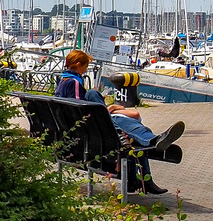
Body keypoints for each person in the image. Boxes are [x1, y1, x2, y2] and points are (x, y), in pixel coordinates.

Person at [56, 51, 184, 195]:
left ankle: (147, 163)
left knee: (132, 128)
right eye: (86, 66)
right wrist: (103, 113)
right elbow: (78, 111)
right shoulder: (74, 83)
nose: (86, 69)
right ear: (78, 65)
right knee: (130, 127)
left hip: (82, 135)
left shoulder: (62, 81)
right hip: (95, 134)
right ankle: (152, 147)